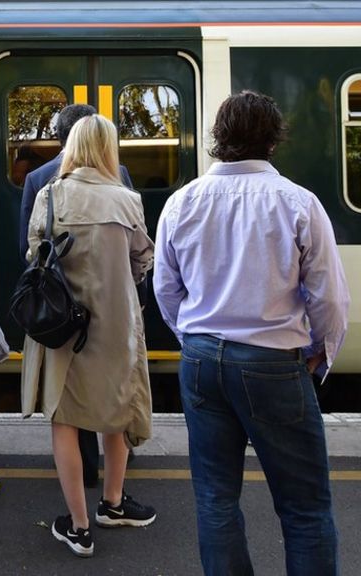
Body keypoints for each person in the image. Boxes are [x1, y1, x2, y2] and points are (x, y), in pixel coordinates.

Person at [154, 91, 349, 576]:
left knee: (216, 500)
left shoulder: (182, 202)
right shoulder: (298, 202)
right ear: (273, 139)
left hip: (201, 363)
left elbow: (165, 288)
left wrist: (194, 340)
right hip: (272, 363)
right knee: (304, 508)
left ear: (219, 138)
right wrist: (320, 355)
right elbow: (329, 297)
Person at [22, 114, 157, 558]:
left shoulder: (51, 195)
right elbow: (143, 261)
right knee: (115, 411)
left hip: (63, 326)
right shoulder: (126, 199)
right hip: (117, 325)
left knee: (65, 419)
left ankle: (79, 527)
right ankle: (113, 504)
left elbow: (33, 254)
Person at [20, 103, 136, 489]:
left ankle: (83, 491)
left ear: (62, 138)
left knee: (66, 405)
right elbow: (138, 254)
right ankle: (115, 496)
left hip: (62, 310)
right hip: (114, 311)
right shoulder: (121, 182)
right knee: (113, 392)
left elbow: (32, 250)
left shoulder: (40, 181)